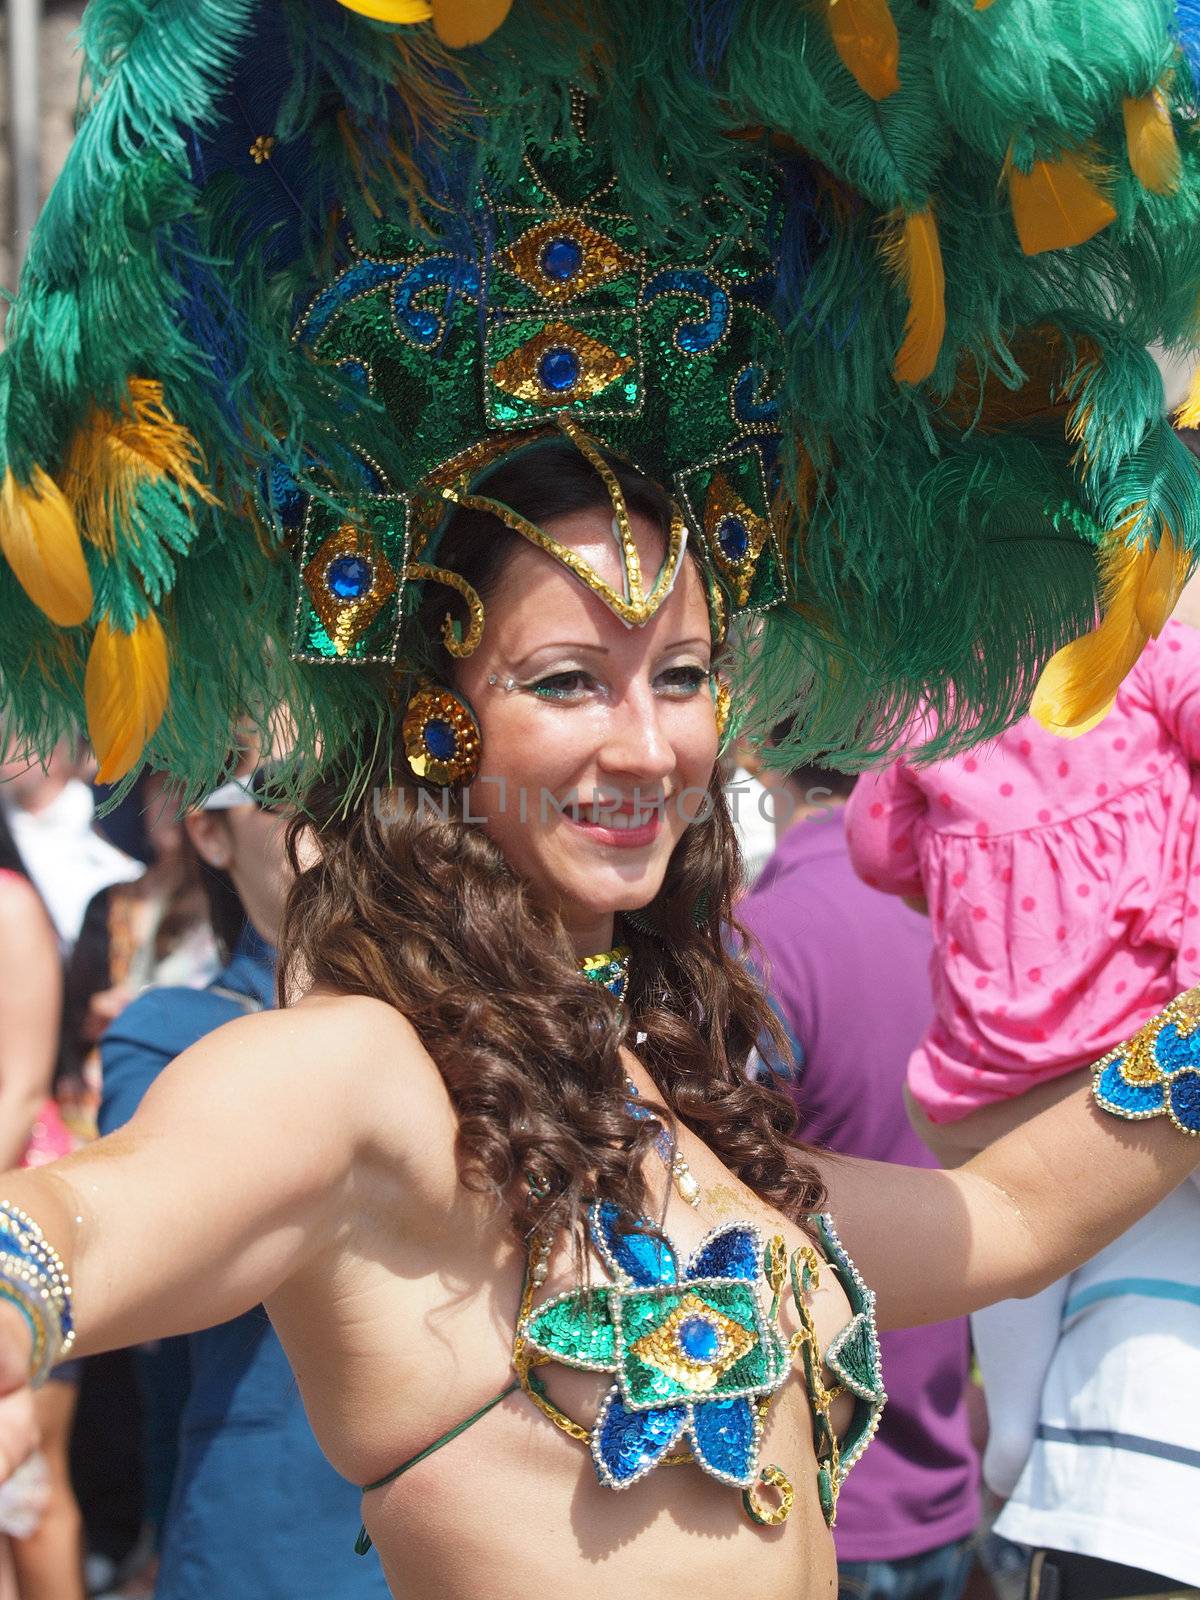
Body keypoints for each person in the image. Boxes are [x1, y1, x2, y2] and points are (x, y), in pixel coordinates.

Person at [0, 7, 1200, 1599]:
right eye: (569, 682)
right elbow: (79, 1228)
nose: (647, 746)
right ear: (441, 715)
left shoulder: (681, 1121)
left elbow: (1011, 1210)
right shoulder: (362, 1081)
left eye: (685, 677)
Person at [844, 632, 1200, 1596]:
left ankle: (1007, 1457)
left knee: (1010, 1276)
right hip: (1145, 1043)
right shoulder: (1148, 648)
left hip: (989, 1075)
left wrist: (958, 859)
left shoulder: (927, 691)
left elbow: (874, 846)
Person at [95, 772, 390, 1600]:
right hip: (285, 1544)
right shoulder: (170, 1035)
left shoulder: (503, 1021)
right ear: (209, 833)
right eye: (285, 786)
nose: (324, 808)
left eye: (351, 771)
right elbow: (160, 1250)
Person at [741, 764, 980, 1600]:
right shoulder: (969, 920)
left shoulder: (756, 942)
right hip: (947, 1472)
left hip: (812, 1497)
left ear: (754, 758)